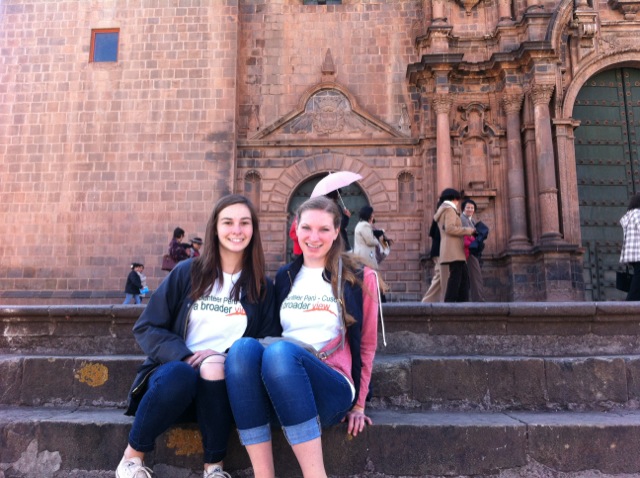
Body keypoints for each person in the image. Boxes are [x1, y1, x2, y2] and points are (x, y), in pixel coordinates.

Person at [116, 194, 280, 478]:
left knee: (214, 368)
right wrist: (186, 355)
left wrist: (223, 358)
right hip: (173, 383)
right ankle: (132, 458)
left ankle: (214, 468)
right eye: (227, 222)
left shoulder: (261, 286)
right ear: (215, 228)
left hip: (222, 391)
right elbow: (146, 327)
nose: (236, 230)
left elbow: (267, 341)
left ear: (253, 230)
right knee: (182, 374)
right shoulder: (187, 273)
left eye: (244, 223)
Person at [224, 195, 380, 478]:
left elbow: (367, 345)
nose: (314, 237)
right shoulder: (285, 276)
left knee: (280, 353)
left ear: (336, 232)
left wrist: (359, 404)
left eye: (323, 229)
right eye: (307, 228)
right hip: (283, 381)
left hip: (331, 382)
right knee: (242, 350)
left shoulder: (359, 276)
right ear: (295, 229)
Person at [434, 188, 475, 302]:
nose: (458, 202)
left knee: (462, 278)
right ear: (454, 199)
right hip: (454, 249)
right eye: (457, 199)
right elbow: (450, 228)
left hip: (452, 248)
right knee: (456, 278)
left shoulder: (444, 210)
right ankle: (450, 305)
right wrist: (468, 230)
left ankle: (462, 304)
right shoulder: (449, 210)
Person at [460, 199, 486, 302]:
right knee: (476, 275)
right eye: (468, 207)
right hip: (468, 251)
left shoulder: (471, 220)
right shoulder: (462, 219)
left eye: (472, 208)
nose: (470, 209)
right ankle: (478, 299)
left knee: (470, 276)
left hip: (471, 250)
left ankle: (475, 299)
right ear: (463, 208)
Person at [421, 199, 447, 303]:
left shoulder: (436, 217)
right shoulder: (443, 217)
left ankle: (427, 301)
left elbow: (431, 233)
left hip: (436, 251)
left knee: (439, 276)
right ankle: (429, 301)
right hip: (441, 251)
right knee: (442, 276)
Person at [620, 193, 640, 300]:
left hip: (632, 253)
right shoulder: (637, 214)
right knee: (638, 278)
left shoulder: (629, 215)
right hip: (638, 252)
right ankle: (630, 301)